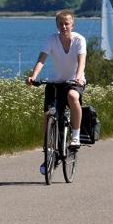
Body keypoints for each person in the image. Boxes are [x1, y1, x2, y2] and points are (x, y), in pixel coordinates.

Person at [25, 10, 86, 175]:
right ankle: (49, 153)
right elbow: (42, 59)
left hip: (73, 82)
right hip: (55, 82)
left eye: (67, 23)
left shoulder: (79, 40)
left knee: (73, 96)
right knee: (48, 115)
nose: (64, 26)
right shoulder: (51, 39)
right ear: (56, 25)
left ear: (72, 25)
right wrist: (33, 76)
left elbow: (81, 61)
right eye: (60, 24)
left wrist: (78, 77)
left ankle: (75, 135)